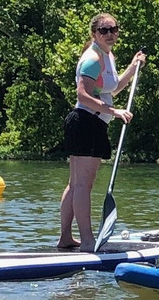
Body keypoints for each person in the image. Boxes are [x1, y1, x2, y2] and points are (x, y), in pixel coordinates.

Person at [58, 13, 145, 252]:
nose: (110, 34)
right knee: (82, 185)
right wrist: (115, 112)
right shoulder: (93, 58)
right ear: (95, 34)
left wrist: (133, 66)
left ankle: (66, 238)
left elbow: (113, 89)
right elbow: (83, 95)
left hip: (91, 123)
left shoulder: (108, 56)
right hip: (86, 122)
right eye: (104, 30)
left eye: (113, 29)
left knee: (76, 184)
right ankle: (87, 241)